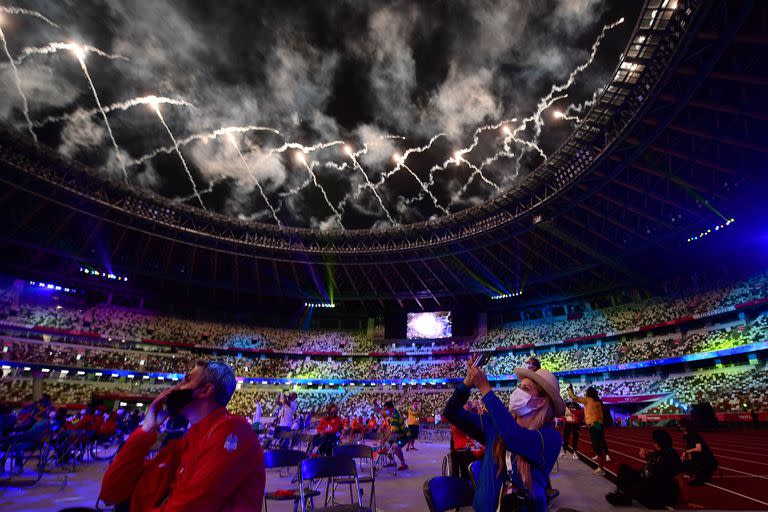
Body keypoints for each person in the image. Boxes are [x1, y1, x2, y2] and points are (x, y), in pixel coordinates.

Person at [100, 361, 265, 512]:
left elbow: (191, 506)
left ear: (206, 390)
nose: (174, 388)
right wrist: (147, 429)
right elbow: (111, 492)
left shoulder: (233, 431)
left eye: (186, 381)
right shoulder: (186, 441)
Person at [444, 361, 563, 512]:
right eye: (519, 387)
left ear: (541, 402)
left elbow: (513, 437)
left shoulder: (550, 438)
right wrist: (467, 383)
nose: (518, 392)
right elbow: (451, 413)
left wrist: (485, 388)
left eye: (526, 389)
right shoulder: (495, 425)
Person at [605, 429, 682, 508]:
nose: (654, 444)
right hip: (645, 478)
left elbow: (679, 478)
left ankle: (625, 496)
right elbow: (651, 457)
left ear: (659, 443)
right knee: (623, 468)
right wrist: (644, 452)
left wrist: (686, 499)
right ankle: (622, 494)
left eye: (655, 442)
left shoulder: (671, 456)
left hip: (657, 488)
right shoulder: (659, 452)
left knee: (641, 486)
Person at [567, 384, 610, 474]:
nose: (585, 393)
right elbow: (601, 415)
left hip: (593, 424)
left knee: (596, 444)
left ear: (589, 393)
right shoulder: (598, 401)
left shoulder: (587, 400)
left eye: (586, 392)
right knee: (600, 441)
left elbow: (574, 397)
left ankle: (601, 468)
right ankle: (604, 457)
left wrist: (570, 390)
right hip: (598, 424)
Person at [679, 418, 718, 485]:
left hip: (707, 461)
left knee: (688, 464)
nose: (679, 427)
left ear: (684, 427)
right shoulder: (687, 436)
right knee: (683, 463)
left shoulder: (694, 436)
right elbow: (687, 450)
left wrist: (687, 452)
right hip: (700, 460)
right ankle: (695, 475)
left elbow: (699, 449)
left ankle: (700, 475)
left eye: (680, 426)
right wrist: (682, 457)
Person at [380, 401, 410, 471]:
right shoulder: (390, 415)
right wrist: (384, 436)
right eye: (385, 409)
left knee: (395, 446)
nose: (386, 411)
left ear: (392, 408)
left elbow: (392, 430)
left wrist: (385, 438)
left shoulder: (396, 415)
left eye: (387, 409)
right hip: (396, 435)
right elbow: (389, 429)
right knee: (384, 444)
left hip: (404, 435)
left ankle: (403, 464)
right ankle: (392, 460)